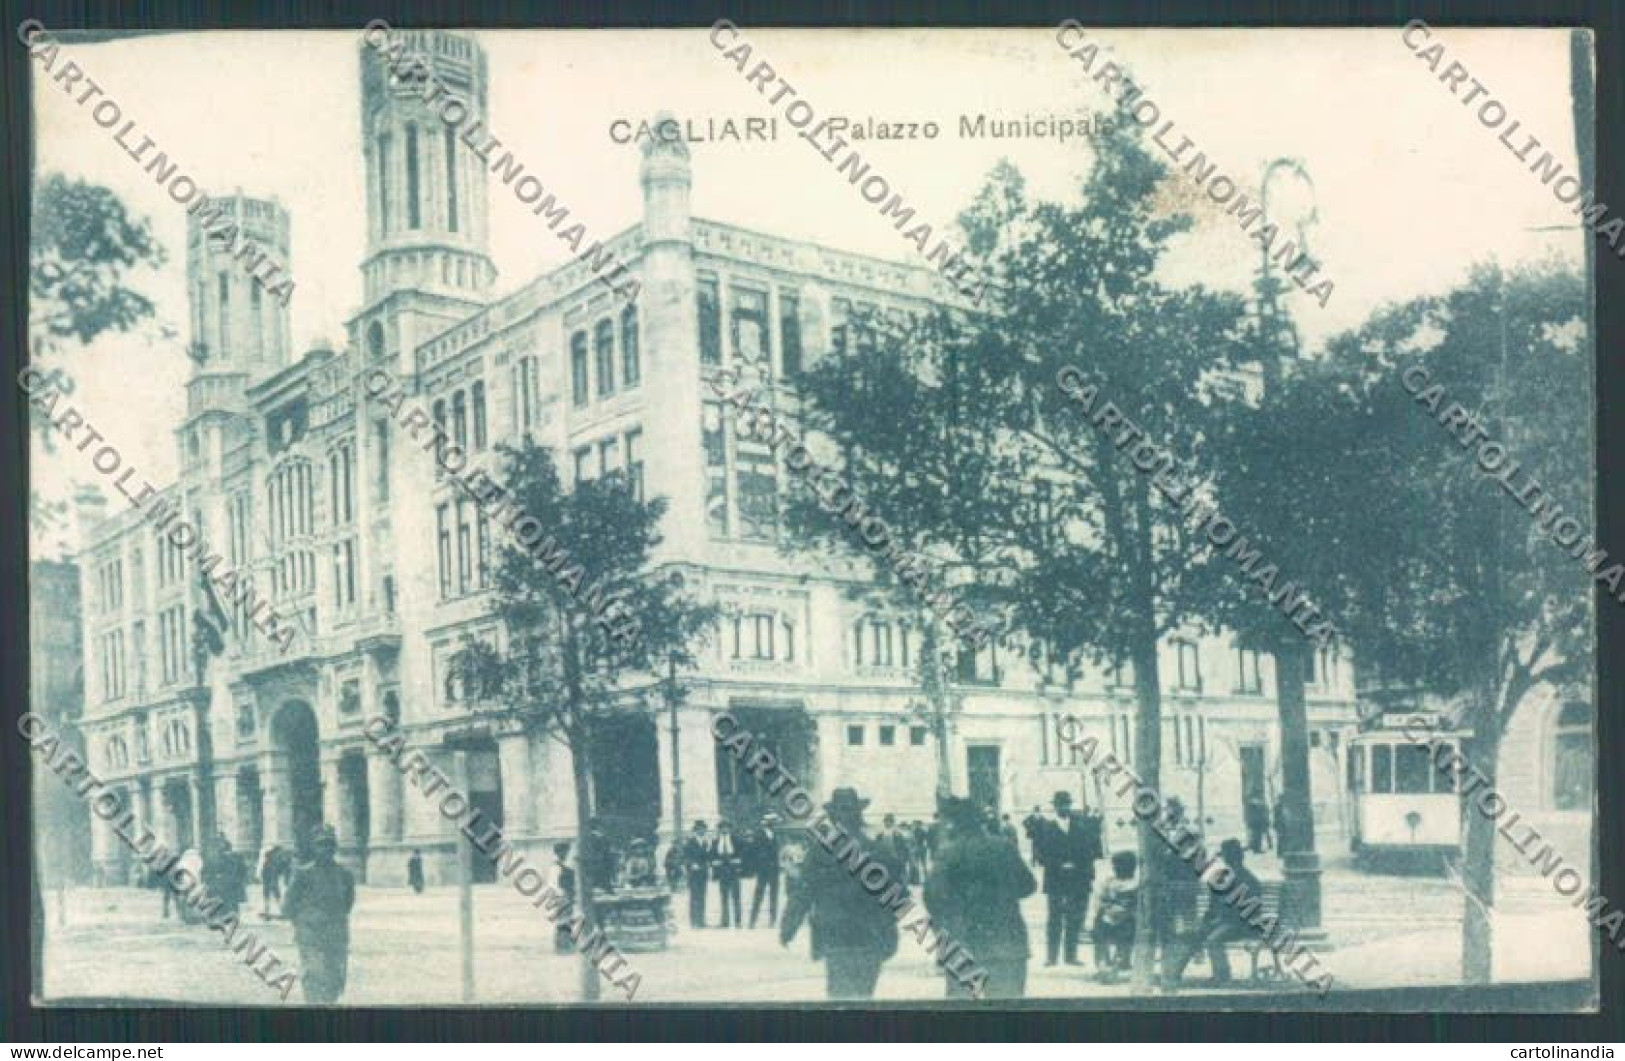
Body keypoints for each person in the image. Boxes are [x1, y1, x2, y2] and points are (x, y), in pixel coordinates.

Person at [780, 787, 904, 1000]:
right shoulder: (877, 849)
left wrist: (788, 926)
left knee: (840, 996)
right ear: (859, 815)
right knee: (864, 996)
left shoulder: (819, 852)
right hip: (870, 936)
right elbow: (898, 895)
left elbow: (802, 892)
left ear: (832, 818)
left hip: (836, 936)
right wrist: (890, 931)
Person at [923, 795, 1037, 999]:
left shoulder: (948, 853)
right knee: (1009, 1015)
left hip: (963, 944)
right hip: (1007, 944)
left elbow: (933, 897)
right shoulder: (1004, 847)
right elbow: (1028, 885)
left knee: (961, 1016)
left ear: (953, 824)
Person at [1166, 838, 1264, 988]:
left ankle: (1223, 977)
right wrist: (1207, 920)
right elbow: (1212, 906)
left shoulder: (1248, 879)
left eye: (1230, 856)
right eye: (1227, 857)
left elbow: (1249, 911)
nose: (1228, 860)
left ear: (1237, 857)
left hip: (1244, 925)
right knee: (1196, 934)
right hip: (1224, 923)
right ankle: (1174, 976)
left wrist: (1219, 920)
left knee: (1213, 940)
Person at [281, 824, 357, 1004]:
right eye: (321, 845)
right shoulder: (302, 874)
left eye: (329, 845)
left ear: (335, 847)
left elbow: (348, 902)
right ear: (314, 848)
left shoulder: (345, 874)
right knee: (314, 974)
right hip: (311, 934)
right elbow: (289, 904)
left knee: (335, 978)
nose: (326, 849)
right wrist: (302, 923)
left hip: (336, 933)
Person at [1033, 791, 1103, 967]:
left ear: (1069, 805)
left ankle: (1071, 956)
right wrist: (1059, 865)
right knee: (1054, 918)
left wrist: (1077, 865)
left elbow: (1089, 851)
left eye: (1066, 804)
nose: (1064, 808)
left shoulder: (1080, 826)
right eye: (1060, 805)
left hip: (1077, 878)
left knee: (1074, 918)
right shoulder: (1046, 828)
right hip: (1055, 879)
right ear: (1055, 807)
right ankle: (1051, 957)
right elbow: (1040, 855)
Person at [1092, 850, 1140, 982]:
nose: (1115, 868)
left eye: (1118, 866)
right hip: (1110, 918)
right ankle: (1104, 964)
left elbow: (1137, 907)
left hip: (1127, 920)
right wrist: (1107, 908)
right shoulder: (1109, 882)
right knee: (1100, 929)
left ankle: (1115, 964)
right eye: (1115, 866)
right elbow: (1100, 901)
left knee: (1125, 931)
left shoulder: (1136, 885)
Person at [202, 833, 248, 924]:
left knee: (223, 901)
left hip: (221, 883)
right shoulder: (237, 857)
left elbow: (207, 871)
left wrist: (208, 880)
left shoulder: (216, 857)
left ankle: (224, 917)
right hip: (232, 883)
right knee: (232, 901)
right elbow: (243, 870)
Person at [747, 814, 782, 928]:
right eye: (773, 822)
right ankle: (752, 920)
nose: (775, 824)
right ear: (768, 822)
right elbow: (754, 851)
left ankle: (772, 920)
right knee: (759, 895)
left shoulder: (775, 834)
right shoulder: (759, 834)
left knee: (774, 895)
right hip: (763, 870)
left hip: (774, 870)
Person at [711, 820, 744, 928]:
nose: (724, 829)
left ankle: (738, 921)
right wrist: (714, 862)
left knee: (736, 897)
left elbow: (743, 853)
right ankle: (725, 922)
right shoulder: (715, 841)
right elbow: (712, 855)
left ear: (730, 828)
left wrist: (739, 861)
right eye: (722, 828)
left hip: (734, 871)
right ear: (719, 829)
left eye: (726, 827)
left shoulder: (736, 840)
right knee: (724, 897)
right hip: (722, 872)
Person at [681, 820, 712, 928]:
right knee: (694, 897)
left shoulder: (706, 843)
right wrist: (691, 864)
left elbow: (708, 857)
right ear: (695, 830)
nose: (702, 831)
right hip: (693, 874)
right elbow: (685, 857)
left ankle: (701, 920)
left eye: (703, 829)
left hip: (703, 873)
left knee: (702, 896)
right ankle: (694, 921)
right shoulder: (690, 842)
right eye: (699, 829)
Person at [552, 842, 577, 954]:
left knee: (568, 921)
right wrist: (561, 895)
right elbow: (553, 884)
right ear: (559, 853)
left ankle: (566, 944)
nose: (566, 854)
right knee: (563, 921)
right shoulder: (555, 867)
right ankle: (561, 946)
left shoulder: (565, 866)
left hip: (567, 896)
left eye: (567, 851)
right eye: (565, 852)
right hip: (561, 896)